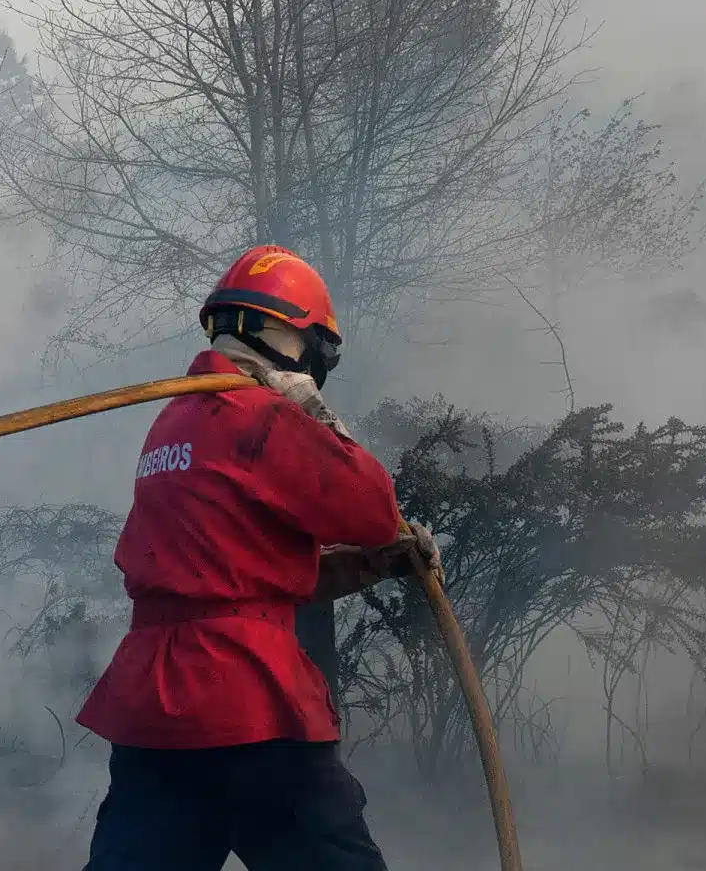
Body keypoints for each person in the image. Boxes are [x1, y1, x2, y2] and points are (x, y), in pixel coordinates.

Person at [76, 244, 439, 871]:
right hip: (246, 701)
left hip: (154, 708)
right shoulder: (262, 418)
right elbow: (372, 506)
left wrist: (377, 564)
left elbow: (231, 579)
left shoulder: (175, 422)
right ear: (300, 341)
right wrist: (309, 411)